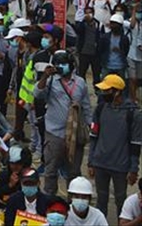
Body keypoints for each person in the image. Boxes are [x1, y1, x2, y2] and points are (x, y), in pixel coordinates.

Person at [35, 49, 91, 195]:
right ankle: (49, 201)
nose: (61, 67)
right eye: (58, 64)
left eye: (64, 64)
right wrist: (44, 76)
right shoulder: (51, 81)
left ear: (71, 65)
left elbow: (86, 106)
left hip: (74, 133)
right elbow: (37, 94)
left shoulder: (80, 83)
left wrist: (89, 126)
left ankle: (72, 201)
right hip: (54, 133)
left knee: (74, 172)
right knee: (51, 170)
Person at [87, 74, 141, 217]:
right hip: (100, 164)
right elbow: (93, 137)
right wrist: (91, 162)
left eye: (107, 91)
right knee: (101, 200)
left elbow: (136, 144)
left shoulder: (133, 113)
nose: (104, 94)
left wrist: (133, 169)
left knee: (121, 202)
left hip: (120, 166)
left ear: (117, 92)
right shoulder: (100, 109)